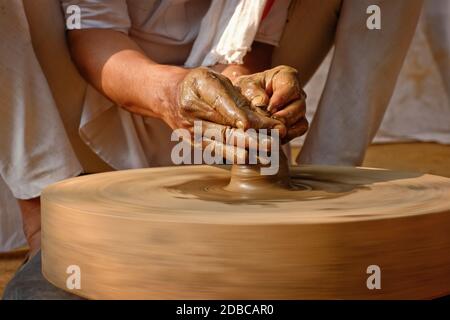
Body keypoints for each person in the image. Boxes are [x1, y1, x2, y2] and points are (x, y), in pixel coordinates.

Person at [0, 0, 423, 257]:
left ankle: (324, 196)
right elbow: (94, 37)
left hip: (212, 133)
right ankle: (46, 221)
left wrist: (246, 91)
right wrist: (174, 91)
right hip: (84, 117)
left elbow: (247, 45)